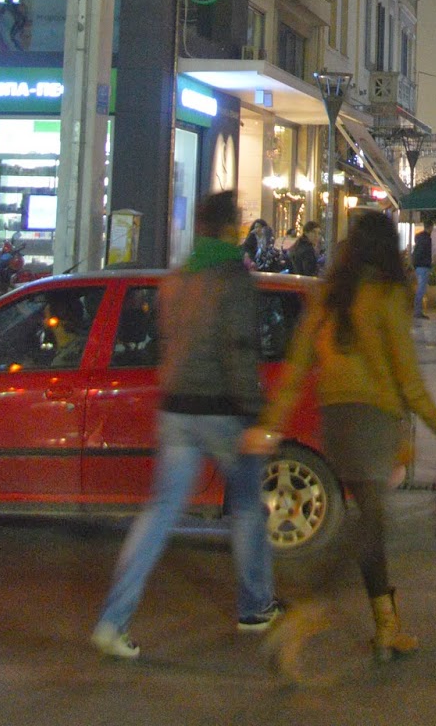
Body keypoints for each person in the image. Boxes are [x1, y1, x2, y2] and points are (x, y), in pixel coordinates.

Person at [254, 210, 436, 680]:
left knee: (370, 520)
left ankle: (387, 627)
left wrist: (271, 423)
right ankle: (304, 614)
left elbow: (297, 362)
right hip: (374, 420)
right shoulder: (387, 294)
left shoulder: (329, 294)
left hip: (337, 420)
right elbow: (405, 373)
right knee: (367, 526)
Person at [91, 190, 277, 660]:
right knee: (248, 508)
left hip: (175, 410)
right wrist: (255, 414)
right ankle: (255, 606)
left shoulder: (176, 279)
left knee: (158, 514)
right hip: (223, 411)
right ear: (231, 227)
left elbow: (166, 344)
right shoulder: (234, 278)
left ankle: (113, 621)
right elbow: (239, 350)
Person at [411, 222, 434, 320]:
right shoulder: (426, 239)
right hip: (424, 266)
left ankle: (416, 310)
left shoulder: (419, 238)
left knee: (420, 289)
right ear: (430, 227)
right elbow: (424, 252)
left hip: (418, 266)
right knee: (421, 289)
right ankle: (417, 311)